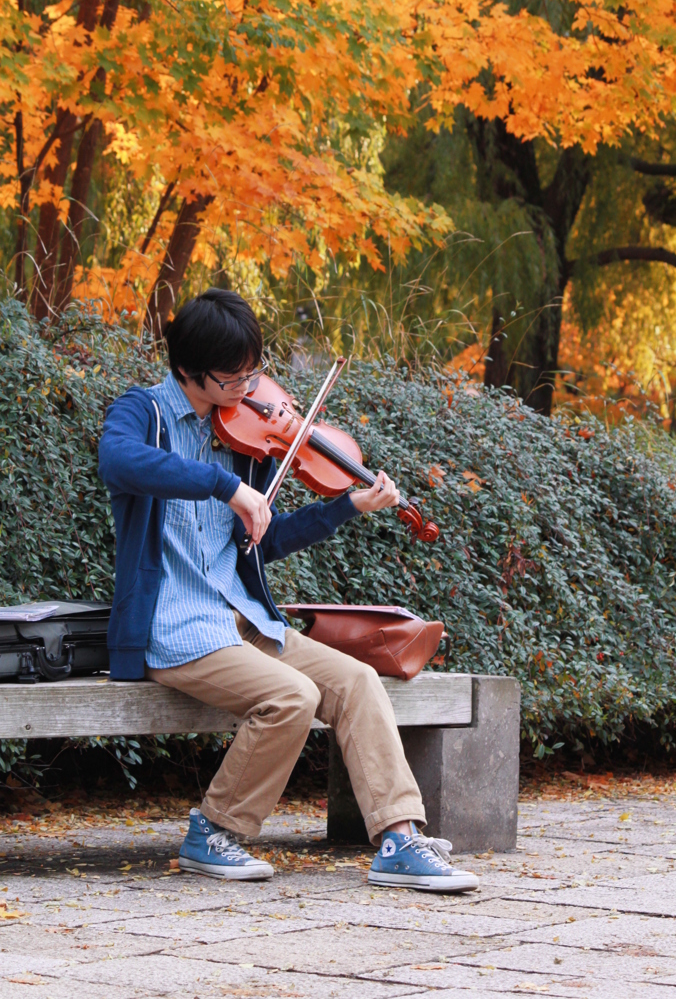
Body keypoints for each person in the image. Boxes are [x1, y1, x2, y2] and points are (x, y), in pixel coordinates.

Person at [99, 288, 479, 893]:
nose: (249, 386)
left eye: (255, 369)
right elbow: (117, 462)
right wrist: (224, 486)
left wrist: (347, 505)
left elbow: (264, 542)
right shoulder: (141, 414)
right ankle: (214, 831)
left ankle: (400, 839)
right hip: (174, 626)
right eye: (234, 375)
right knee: (291, 697)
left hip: (241, 616)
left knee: (355, 682)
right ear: (189, 371)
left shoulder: (242, 434)